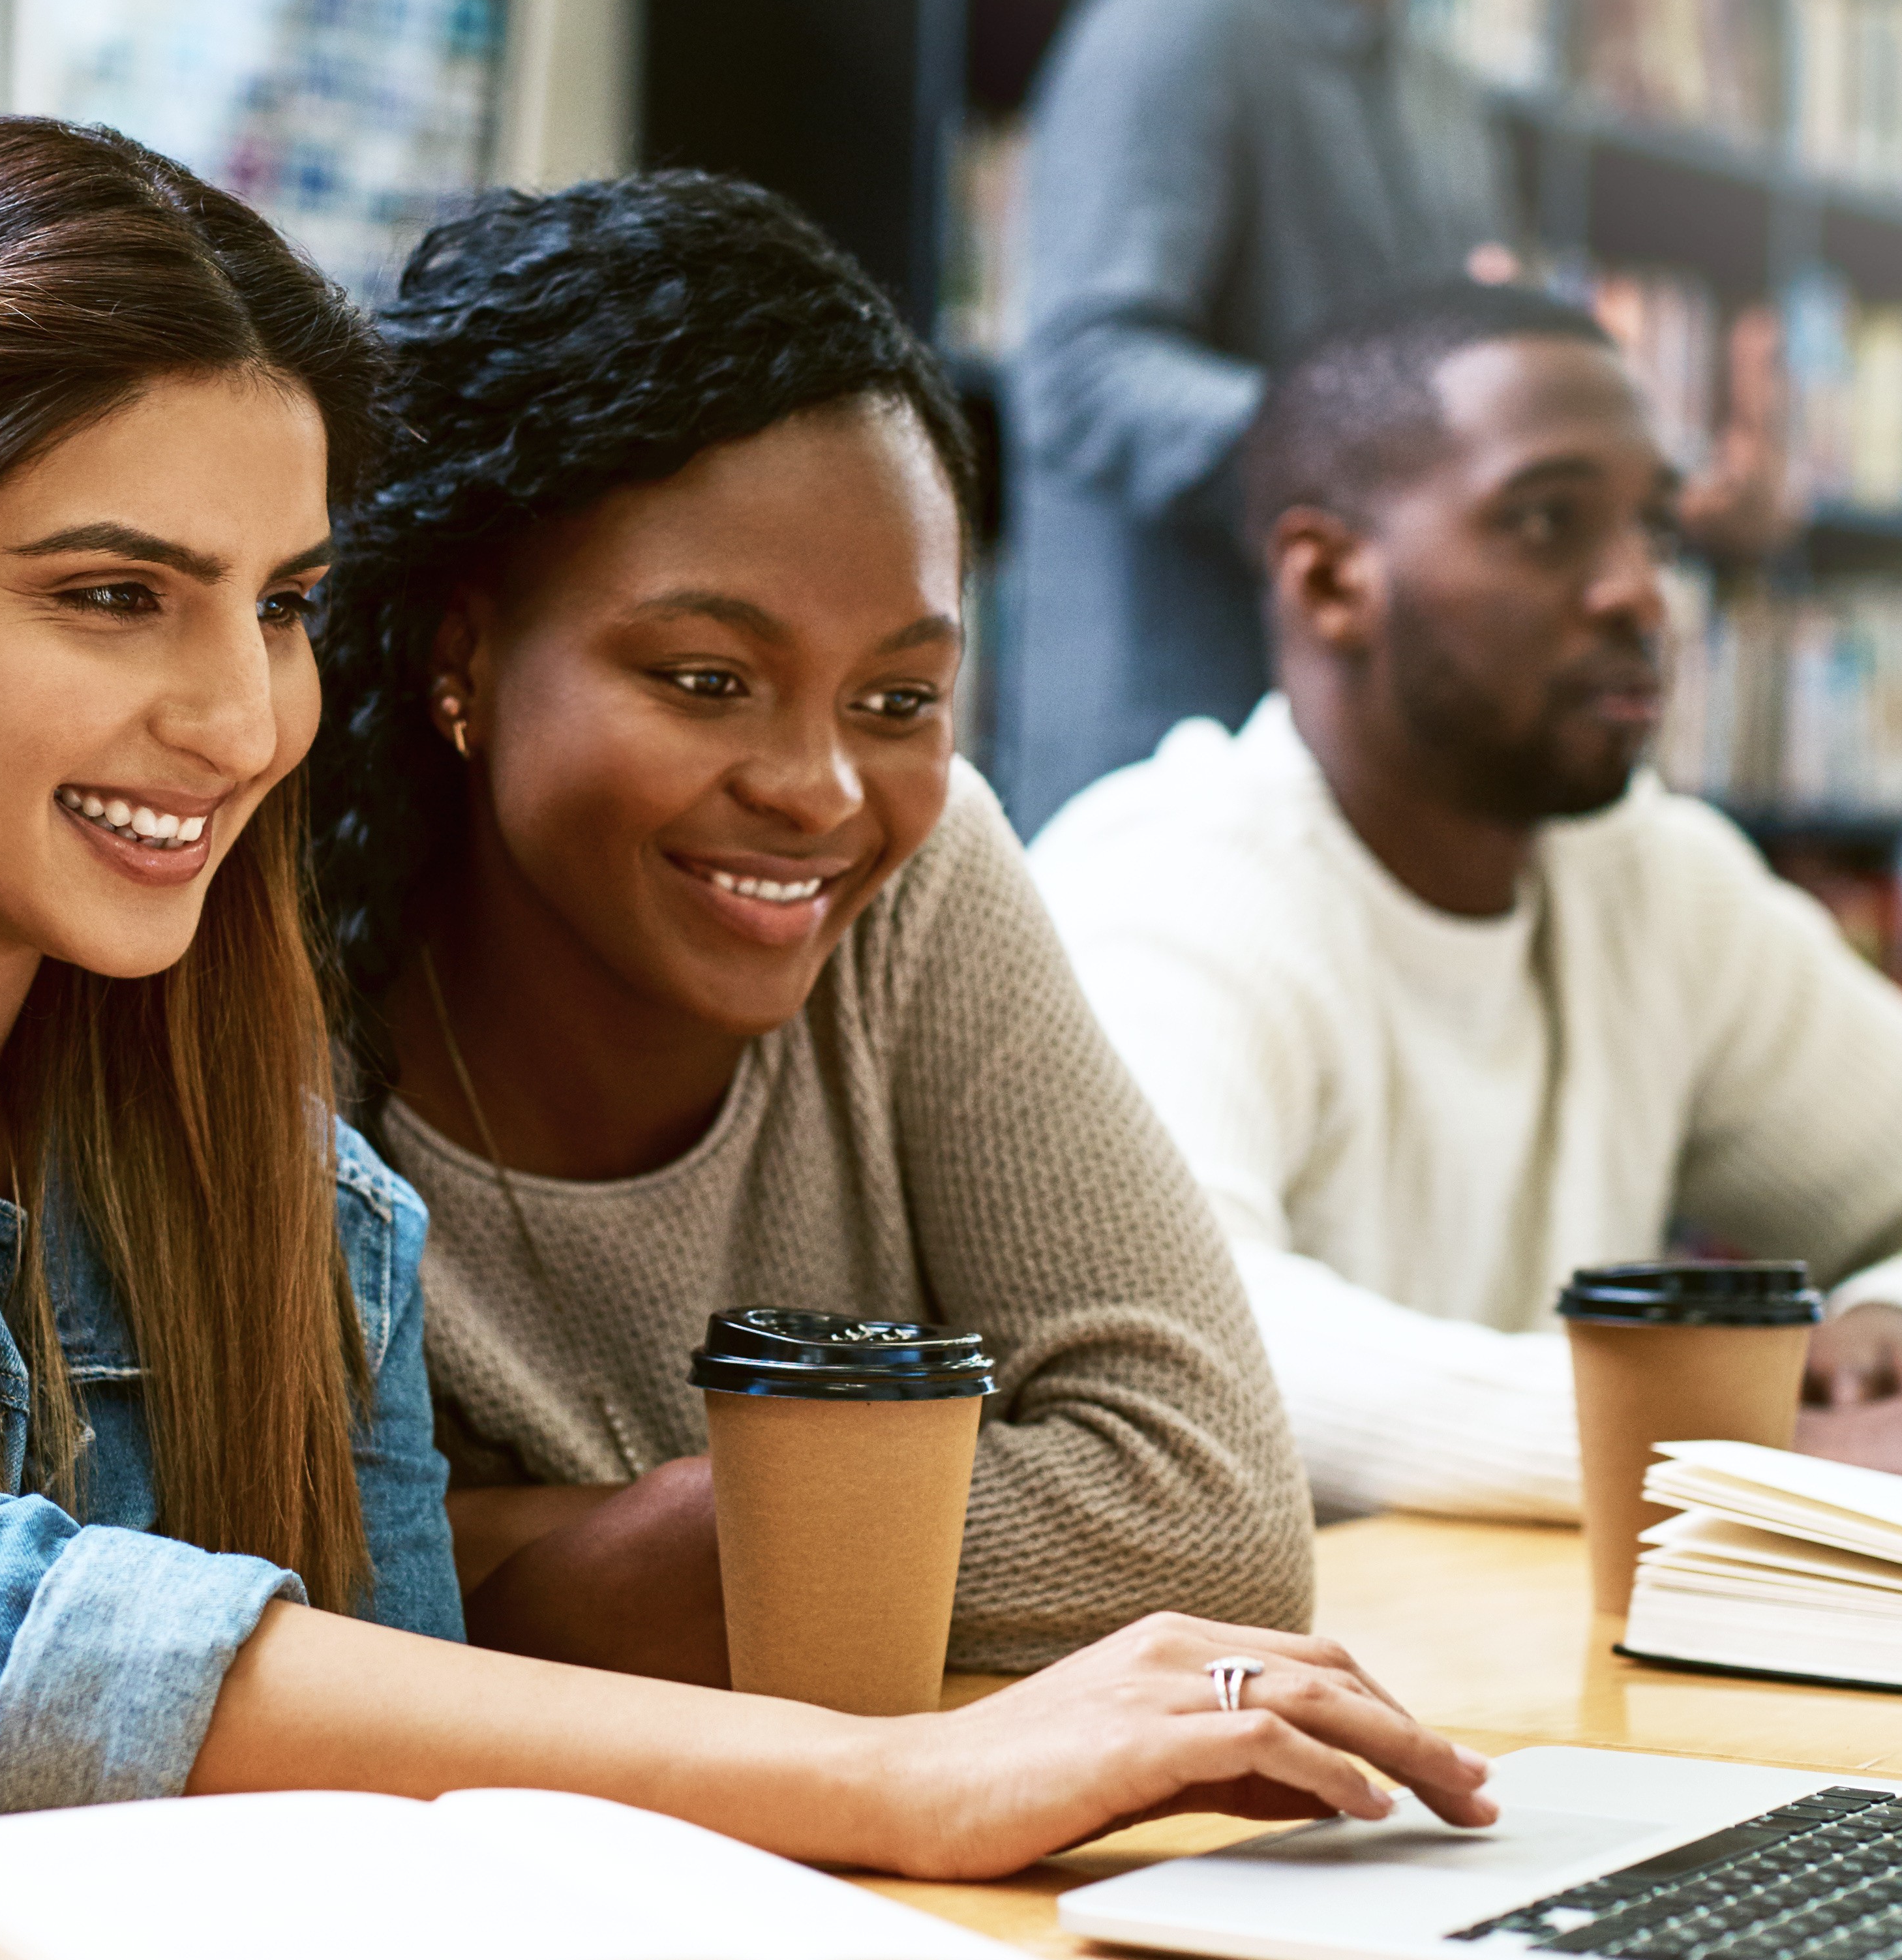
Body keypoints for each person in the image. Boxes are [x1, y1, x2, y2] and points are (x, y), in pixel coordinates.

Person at [0, 117, 1490, 1875]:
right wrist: (909, 1787)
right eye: (115, 597)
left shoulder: (243, 1129)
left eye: (276, 607)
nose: (235, 715)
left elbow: (405, 1803)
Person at [303, 171, 1314, 1685]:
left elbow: (1212, 1520)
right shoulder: (260, 941)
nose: (821, 787)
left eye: (897, 698)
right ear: (464, 647)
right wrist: (827, 1529)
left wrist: (570, 1547)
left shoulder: (919, 875)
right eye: (706, 678)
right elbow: (239, 1585)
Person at [1031, 280, 1902, 1522]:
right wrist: (1756, 1449)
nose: (1641, 593)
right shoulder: (1168, 882)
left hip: (1510, 1651)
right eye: (1546, 523)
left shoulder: (1651, 879)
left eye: (1655, 532)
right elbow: (1192, 1339)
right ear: (1327, 581)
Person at [1000, 0, 1785, 822]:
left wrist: (1648, 490)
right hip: (1176, 820)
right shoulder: (1174, 28)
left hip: (1369, 808)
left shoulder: (1440, 90)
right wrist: (1388, 461)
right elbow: (1082, 377)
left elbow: (1463, 420)